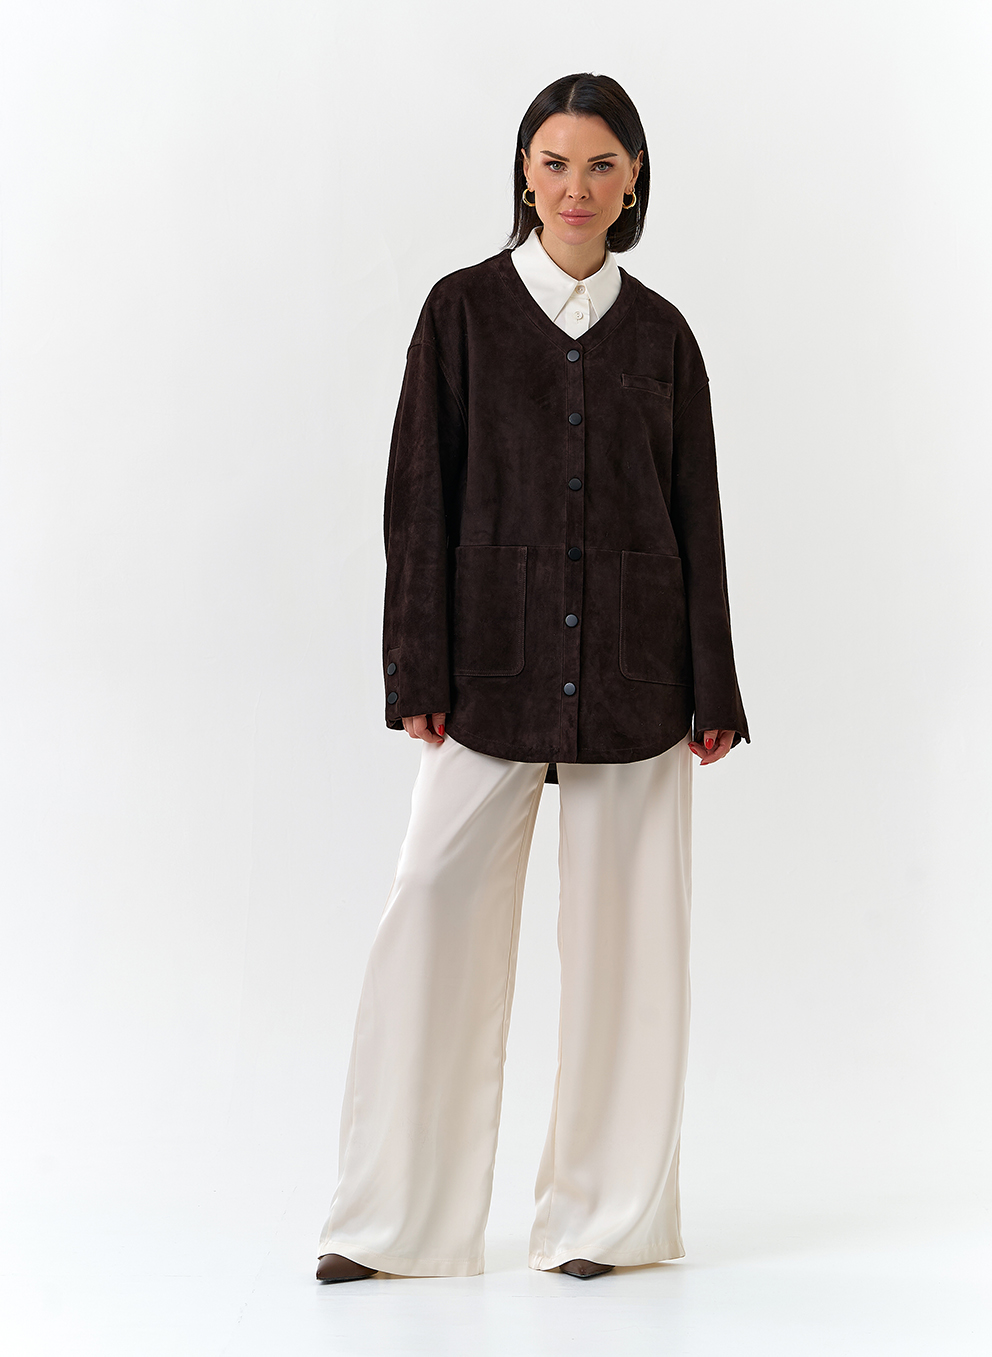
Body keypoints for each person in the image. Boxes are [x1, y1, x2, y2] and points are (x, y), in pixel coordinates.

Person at [316, 71, 749, 1284]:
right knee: (430, 911)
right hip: (487, 674)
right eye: (554, 163)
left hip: (635, 677)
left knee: (628, 951)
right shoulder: (458, 313)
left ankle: (607, 1222)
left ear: (634, 181)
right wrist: (415, 663)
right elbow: (418, 498)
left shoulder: (662, 336)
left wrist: (712, 684)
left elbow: (695, 517)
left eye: (601, 165)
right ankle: (393, 1223)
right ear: (522, 171)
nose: (576, 188)